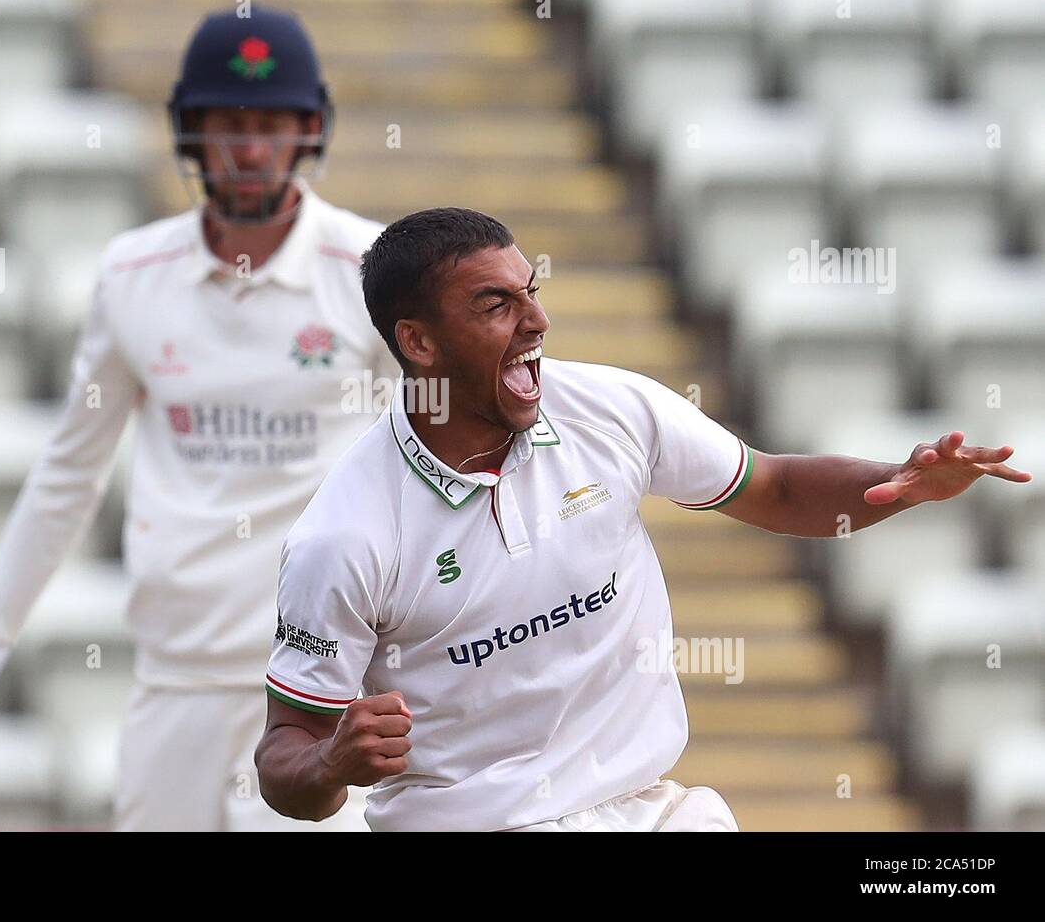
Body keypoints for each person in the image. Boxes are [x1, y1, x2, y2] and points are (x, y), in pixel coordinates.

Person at [254, 206, 1033, 832]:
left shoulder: (608, 407)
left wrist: (895, 481)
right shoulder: (345, 535)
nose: (536, 321)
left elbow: (776, 487)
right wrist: (328, 768)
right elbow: (284, 752)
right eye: (497, 304)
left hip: (649, 810)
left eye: (532, 290)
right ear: (418, 342)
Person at [0, 7, 395, 831]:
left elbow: (438, 467)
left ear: (309, 130)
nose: (251, 148)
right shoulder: (134, 276)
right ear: (191, 133)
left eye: (271, 124)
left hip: (320, 684)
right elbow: (67, 478)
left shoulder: (372, 272)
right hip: (176, 679)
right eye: (229, 124)